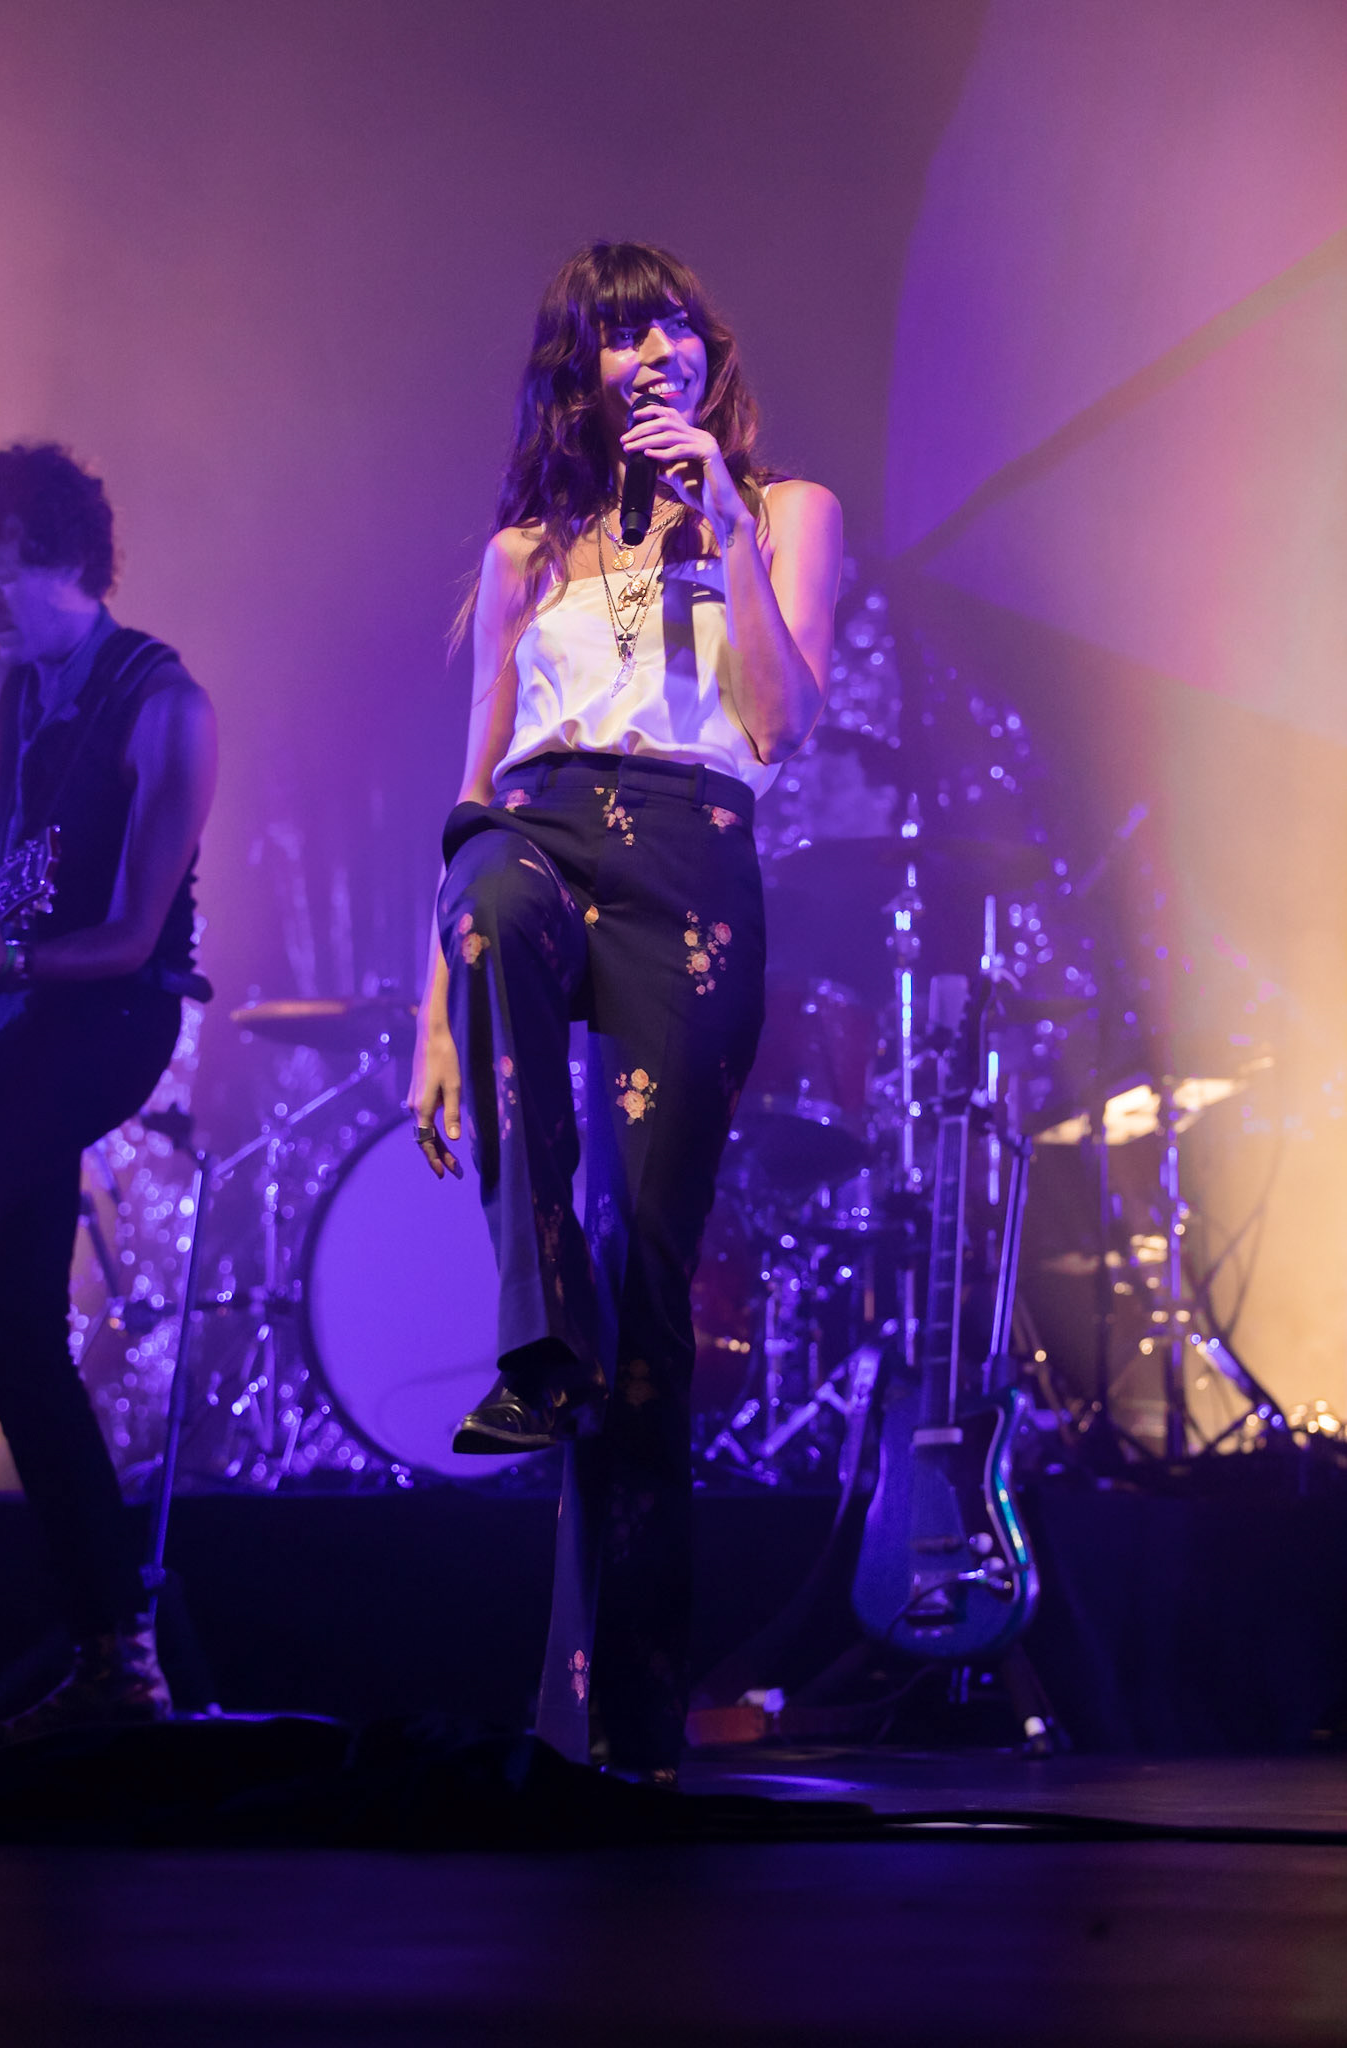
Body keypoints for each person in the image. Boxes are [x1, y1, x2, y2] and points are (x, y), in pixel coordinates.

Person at [408, 242, 841, 1782]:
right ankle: (536, 1338)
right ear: (577, 373)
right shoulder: (525, 550)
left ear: (699, 348)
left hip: (690, 848)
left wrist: (719, 518)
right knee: (492, 887)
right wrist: (436, 1020)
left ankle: (615, 1717)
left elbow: (781, 725)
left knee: (645, 1295)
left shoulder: (784, 512)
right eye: (611, 336)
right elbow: (469, 790)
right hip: (535, 832)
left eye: (663, 324)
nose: (645, 353)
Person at [0, 442, 217, 1745]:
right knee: (12, 1329)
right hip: (14, 1017)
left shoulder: (166, 703)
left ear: (60, 558)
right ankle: (118, 1656)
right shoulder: (14, 669)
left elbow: (132, 936)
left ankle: (120, 1654)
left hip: (107, 1016)